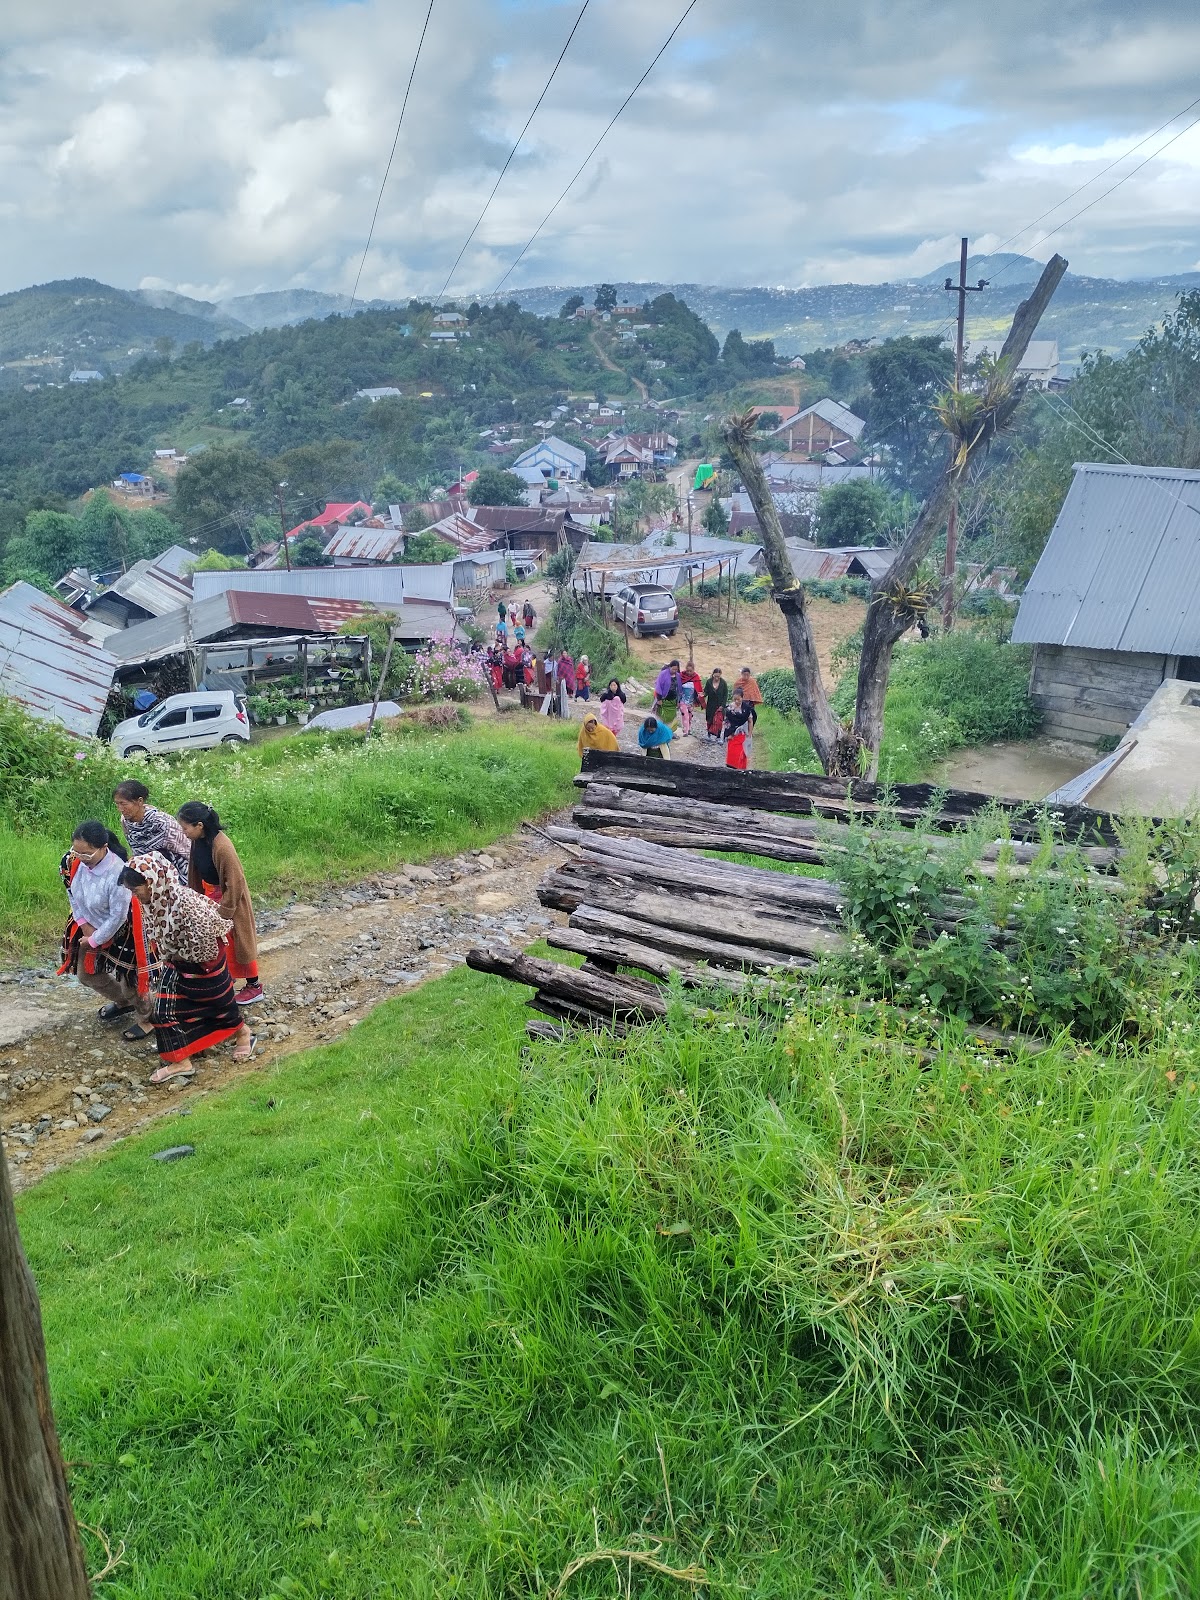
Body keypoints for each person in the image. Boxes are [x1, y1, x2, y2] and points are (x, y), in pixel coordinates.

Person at [118, 853, 255, 1080]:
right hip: (178, 963)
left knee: (218, 1003)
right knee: (163, 1011)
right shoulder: (153, 902)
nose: (134, 895)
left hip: (204, 963)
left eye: (136, 889)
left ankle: (243, 1034)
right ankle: (181, 1060)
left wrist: (182, 961)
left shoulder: (184, 904)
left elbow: (205, 942)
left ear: (151, 881)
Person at [57, 821, 158, 1041]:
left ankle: (147, 1018)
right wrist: (83, 923)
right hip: (89, 926)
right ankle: (123, 1003)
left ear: (104, 847)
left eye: (87, 855)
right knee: (86, 974)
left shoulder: (118, 874)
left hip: (124, 930)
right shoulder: (72, 861)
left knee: (131, 982)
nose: (81, 859)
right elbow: (71, 894)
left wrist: (95, 939)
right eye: (77, 852)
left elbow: (118, 916)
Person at [178, 802, 263, 1005]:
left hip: (228, 898)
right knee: (218, 944)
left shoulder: (222, 847)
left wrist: (225, 912)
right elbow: (194, 872)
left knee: (237, 941)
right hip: (209, 895)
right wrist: (195, 900)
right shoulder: (198, 841)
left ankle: (254, 985)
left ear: (199, 825)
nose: (184, 833)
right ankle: (224, 981)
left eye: (185, 828)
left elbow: (236, 881)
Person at [112, 780, 191, 882]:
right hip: (148, 876)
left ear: (140, 801)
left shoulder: (162, 822)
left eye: (124, 804)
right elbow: (136, 852)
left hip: (178, 875)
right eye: (117, 804)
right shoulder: (125, 822)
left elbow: (187, 849)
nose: (120, 809)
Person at [722, 688, 757, 770]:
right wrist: (728, 734)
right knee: (732, 754)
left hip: (742, 734)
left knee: (742, 753)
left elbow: (750, 721)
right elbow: (726, 722)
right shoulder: (730, 708)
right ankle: (731, 770)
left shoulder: (747, 709)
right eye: (735, 699)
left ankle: (741, 770)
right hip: (733, 735)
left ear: (742, 698)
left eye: (738, 699)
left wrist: (749, 733)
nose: (737, 701)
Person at [678, 659, 703, 737]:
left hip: (691, 701)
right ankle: (686, 731)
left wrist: (700, 699)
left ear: (693, 670)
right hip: (683, 700)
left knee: (689, 716)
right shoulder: (681, 676)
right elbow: (677, 687)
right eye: (687, 671)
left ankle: (688, 729)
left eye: (690, 671)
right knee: (685, 715)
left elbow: (699, 689)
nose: (688, 673)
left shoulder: (696, 677)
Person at [653, 658, 682, 724]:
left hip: (672, 701)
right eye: (673, 669)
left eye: (676, 669)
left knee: (670, 718)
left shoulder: (678, 676)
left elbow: (679, 689)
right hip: (663, 700)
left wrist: (678, 701)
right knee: (660, 717)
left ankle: (668, 732)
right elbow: (658, 686)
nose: (674, 671)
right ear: (670, 667)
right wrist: (659, 699)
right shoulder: (663, 674)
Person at [704, 667, 728, 741]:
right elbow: (706, 692)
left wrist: (723, 705)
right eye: (715, 676)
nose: (717, 678)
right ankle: (709, 734)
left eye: (718, 676)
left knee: (719, 721)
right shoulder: (709, 682)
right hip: (710, 705)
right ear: (713, 675)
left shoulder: (723, 683)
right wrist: (702, 696)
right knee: (709, 719)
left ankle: (718, 736)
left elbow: (725, 695)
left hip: (719, 705)